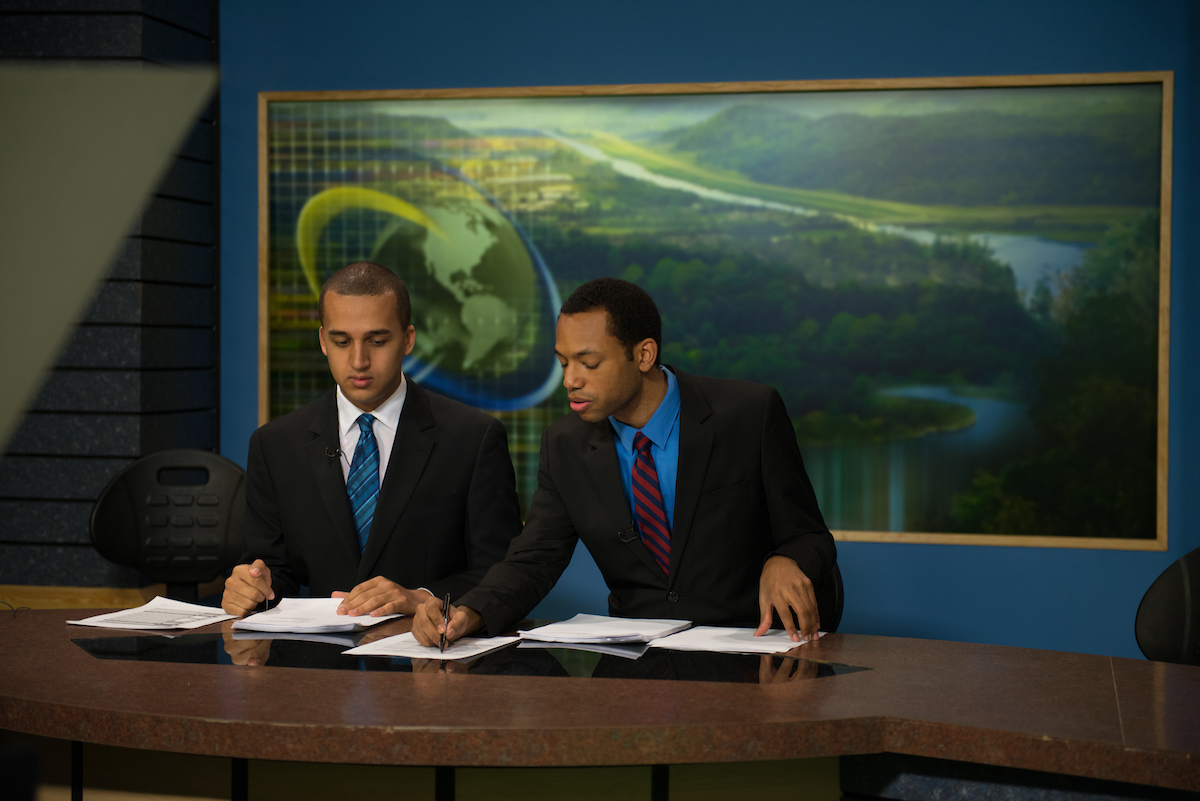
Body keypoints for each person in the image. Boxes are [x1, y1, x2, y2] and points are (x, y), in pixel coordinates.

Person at [413, 277, 837, 647]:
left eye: (588, 363)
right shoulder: (565, 445)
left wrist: (786, 560)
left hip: (752, 649)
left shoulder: (750, 413)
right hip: (640, 664)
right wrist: (471, 613)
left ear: (644, 355)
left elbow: (809, 536)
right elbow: (534, 559)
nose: (570, 380)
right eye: (563, 363)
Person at [221, 261, 522, 618]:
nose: (359, 360)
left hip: (425, 661)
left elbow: (505, 576)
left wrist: (422, 598)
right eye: (341, 341)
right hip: (318, 666)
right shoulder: (274, 446)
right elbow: (274, 575)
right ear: (322, 341)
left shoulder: (473, 439)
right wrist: (253, 589)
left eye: (377, 341)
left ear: (407, 339)